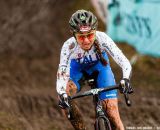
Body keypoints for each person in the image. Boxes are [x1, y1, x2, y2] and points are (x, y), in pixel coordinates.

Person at [56, 9, 133, 130]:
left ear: (95, 31)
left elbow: (124, 61)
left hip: (100, 70)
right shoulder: (68, 46)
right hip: (78, 72)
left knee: (111, 111)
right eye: (81, 37)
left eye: (90, 35)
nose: (86, 41)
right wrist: (62, 93)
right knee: (65, 104)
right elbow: (62, 73)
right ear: (74, 35)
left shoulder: (103, 39)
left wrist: (125, 78)